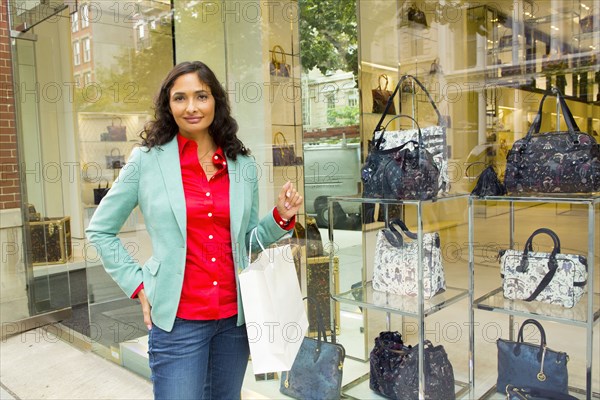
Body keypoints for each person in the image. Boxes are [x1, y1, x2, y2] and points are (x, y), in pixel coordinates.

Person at [86, 61, 303, 400]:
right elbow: (100, 230)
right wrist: (139, 285)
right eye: (179, 98)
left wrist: (280, 217)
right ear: (167, 105)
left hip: (235, 320)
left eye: (201, 96)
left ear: (215, 100)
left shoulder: (242, 165)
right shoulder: (146, 161)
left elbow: (245, 242)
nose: (191, 107)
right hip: (178, 321)